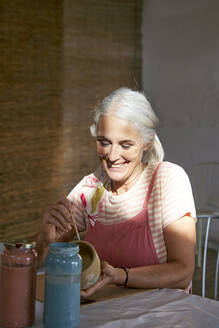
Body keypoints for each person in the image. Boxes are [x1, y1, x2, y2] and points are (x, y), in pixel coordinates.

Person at [36, 87, 196, 297]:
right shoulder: (91, 189)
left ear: (146, 142)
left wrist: (120, 276)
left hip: (163, 312)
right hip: (106, 310)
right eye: (104, 142)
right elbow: (40, 261)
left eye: (126, 145)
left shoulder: (167, 181)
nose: (112, 156)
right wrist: (45, 240)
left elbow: (183, 272)